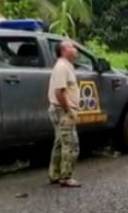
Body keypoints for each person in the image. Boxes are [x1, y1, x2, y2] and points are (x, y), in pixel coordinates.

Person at [47, 40, 82, 188]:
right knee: (71, 144)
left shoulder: (67, 66)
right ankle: (66, 176)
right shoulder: (62, 67)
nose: (75, 48)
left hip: (59, 109)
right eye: (71, 46)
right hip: (63, 110)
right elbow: (59, 92)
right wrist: (68, 110)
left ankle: (54, 174)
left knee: (60, 143)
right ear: (63, 51)